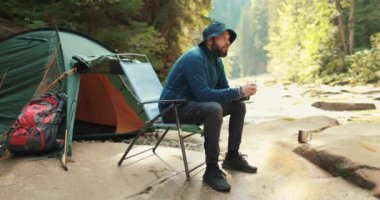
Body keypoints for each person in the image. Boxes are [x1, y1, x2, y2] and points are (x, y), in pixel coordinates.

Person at [159, 21, 257, 192]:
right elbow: (203, 95)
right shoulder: (194, 58)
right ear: (210, 41)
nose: (228, 42)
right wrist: (238, 91)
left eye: (229, 39)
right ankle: (211, 169)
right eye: (223, 38)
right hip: (173, 109)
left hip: (192, 105)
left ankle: (232, 156)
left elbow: (223, 90)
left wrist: (241, 94)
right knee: (213, 109)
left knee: (238, 106)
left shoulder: (216, 61)